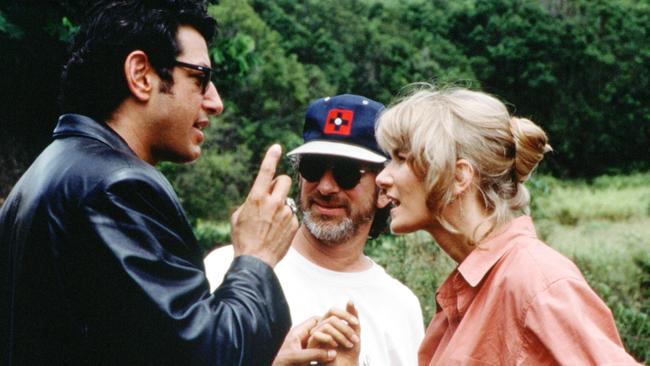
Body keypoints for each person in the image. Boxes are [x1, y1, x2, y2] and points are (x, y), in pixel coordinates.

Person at [0, 1, 298, 365]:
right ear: (141, 75)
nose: (215, 102)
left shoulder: (47, 174)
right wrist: (256, 256)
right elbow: (207, 356)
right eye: (200, 78)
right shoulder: (116, 188)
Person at [373, 85, 642, 365]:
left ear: (458, 177)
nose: (382, 177)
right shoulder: (471, 289)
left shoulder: (535, 282)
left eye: (401, 159)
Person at [205, 94, 425, 365]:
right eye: (313, 168)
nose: (325, 187)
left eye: (346, 172)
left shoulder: (401, 306)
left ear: (383, 188)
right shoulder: (231, 268)